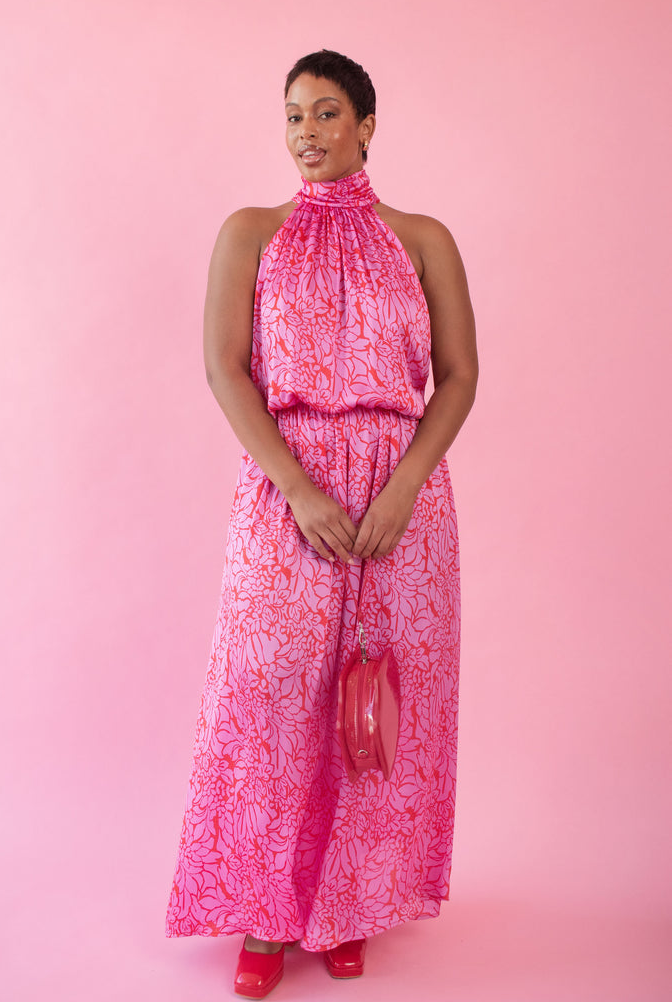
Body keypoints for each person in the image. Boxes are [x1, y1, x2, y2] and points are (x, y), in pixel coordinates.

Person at [166, 49, 478, 999]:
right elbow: (226, 369)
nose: (306, 131)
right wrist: (299, 488)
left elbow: (459, 377)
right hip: (284, 495)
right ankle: (262, 916)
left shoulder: (422, 238)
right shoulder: (249, 232)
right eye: (293, 115)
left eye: (327, 112)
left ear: (367, 125)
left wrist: (404, 489)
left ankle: (349, 905)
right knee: (268, 698)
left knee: (374, 714)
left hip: (403, 504)